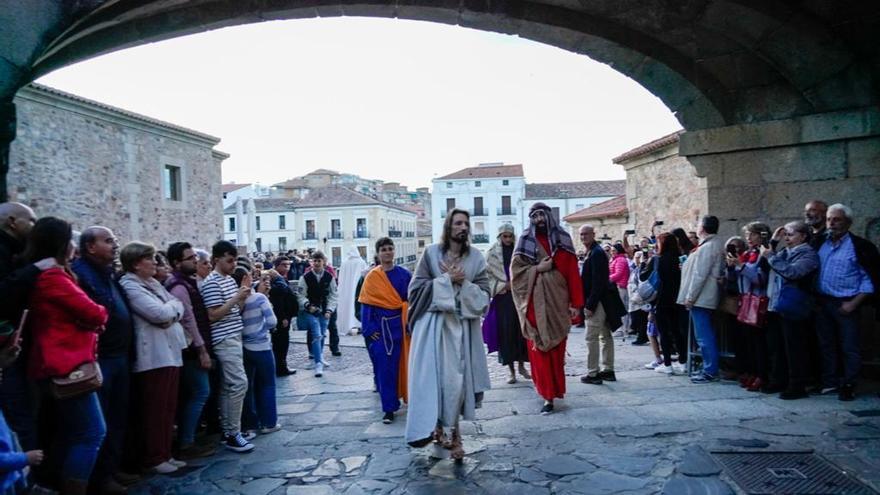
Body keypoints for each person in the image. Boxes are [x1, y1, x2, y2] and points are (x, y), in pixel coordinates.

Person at [24, 217, 108, 495]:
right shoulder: (53, 277)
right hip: (66, 364)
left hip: (62, 362)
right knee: (92, 432)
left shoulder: (53, 275)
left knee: (71, 432)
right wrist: (91, 320)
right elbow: (96, 312)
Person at [406, 208, 491, 462]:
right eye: (458, 223)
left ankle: (454, 435)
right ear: (448, 226)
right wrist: (445, 280)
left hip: (463, 329)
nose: (463, 227)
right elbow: (415, 289)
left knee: (457, 384)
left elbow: (485, 295)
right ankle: (438, 431)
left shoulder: (476, 258)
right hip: (433, 328)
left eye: (466, 223)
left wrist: (462, 283)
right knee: (435, 382)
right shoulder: (431, 254)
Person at [71, 226, 138, 493]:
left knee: (118, 416)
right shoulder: (83, 274)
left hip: (120, 355)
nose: (115, 244)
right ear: (90, 247)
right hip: (102, 358)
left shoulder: (107, 273)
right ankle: (100, 478)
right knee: (102, 419)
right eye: (108, 241)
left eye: (114, 239)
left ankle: (112, 469)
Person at [118, 242, 187, 474]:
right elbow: (159, 314)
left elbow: (177, 306)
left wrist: (171, 312)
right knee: (155, 410)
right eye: (150, 259)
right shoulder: (130, 286)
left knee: (168, 408)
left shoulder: (152, 283)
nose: (156, 263)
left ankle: (165, 452)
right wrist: (170, 311)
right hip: (154, 355)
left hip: (169, 352)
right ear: (137, 263)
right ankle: (155, 456)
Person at [510, 204, 583, 414]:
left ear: (549, 216)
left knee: (557, 350)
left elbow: (572, 274)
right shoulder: (524, 241)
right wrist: (537, 269)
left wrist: (575, 304)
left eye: (542, 214)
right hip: (534, 304)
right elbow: (516, 275)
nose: (539, 219)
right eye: (534, 216)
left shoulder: (563, 240)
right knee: (539, 349)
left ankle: (556, 389)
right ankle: (546, 395)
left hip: (558, 303)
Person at [814, 204, 878, 401]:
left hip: (846, 304)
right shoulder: (820, 244)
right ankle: (830, 381)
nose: (832, 224)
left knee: (849, 346)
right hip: (823, 302)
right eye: (829, 220)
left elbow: (869, 280)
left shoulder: (859, 246)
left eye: (837, 219)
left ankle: (849, 383)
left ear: (848, 222)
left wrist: (853, 304)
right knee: (826, 344)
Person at [200, 240, 255, 452]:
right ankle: (233, 432)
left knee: (228, 386)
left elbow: (234, 310)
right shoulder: (212, 282)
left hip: (233, 335)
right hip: (224, 339)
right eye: (229, 261)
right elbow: (212, 315)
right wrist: (236, 299)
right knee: (239, 384)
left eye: (234, 260)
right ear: (216, 260)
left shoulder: (229, 281)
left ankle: (228, 430)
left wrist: (242, 295)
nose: (233, 265)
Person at [164, 242, 216, 460]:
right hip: (191, 351)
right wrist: (202, 349)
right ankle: (186, 442)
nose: (195, 260)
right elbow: (189, 320)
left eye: (195, 256)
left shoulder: (187, 282)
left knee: (196, 393)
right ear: (177, 263)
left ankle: (189, 438)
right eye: (190, 258)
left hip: (192, 348)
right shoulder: (179, 286)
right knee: (200, 392)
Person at [762, 221, 819, 400]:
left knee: (795, 347)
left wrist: (771, 256)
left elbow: (792, 272)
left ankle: (797, 384)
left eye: (791, 234)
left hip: (795, 306)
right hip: (778, 304)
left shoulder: (808, 254)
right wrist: (772, 242)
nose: (787, 238)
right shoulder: (785, 252)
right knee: (777, 346)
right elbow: (767, 265)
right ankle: (779, 379)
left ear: (803, 236)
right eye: (785, 234)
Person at [358, 238, 412, 424]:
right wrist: (369, 328)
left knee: (406, 365)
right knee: (384, 370)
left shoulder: (404, 274)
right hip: (381, 330)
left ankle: (410, 399)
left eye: (390, 249)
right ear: (378, 253)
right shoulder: (372, 277)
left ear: (394, 251)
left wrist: (410, 321)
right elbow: (366, 305)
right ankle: (388, 409)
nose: (387, 252)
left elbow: (412, 300)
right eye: (384, 249)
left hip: (402, 327)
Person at [231, 267, 280, 435]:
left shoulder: (235, 301)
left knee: (248, 387)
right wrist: (261, 330)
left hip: (244, 347)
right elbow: (272, 321)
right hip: (261, 346)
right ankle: (269, 422)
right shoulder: (259, 298)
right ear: (246, 278)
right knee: (267, 384)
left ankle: (250, 424)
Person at [678, 216, 726, 383]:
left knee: (704, 336)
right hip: (703, 296)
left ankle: (710, 370)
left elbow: (700, 275)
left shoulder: (708, 247)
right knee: (704, 334)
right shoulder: (711, 245)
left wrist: (690, 297)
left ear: (703, 228)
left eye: (698, 224)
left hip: (702, 297)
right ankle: (709, 367)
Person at [483, 224, 530, 384]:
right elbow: (486, 276)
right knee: (506, 334)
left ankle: (522, 366)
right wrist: (501, 287)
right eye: (505, 236)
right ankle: (511, 371)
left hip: (520, 297)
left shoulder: (519, 252)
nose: (508, 239)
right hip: (503, 299)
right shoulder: (491, 254)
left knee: (521, 332)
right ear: (500, 236)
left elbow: (526, 270)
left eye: (510, 236)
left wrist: (517, 284)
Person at [579, 224, 624, 385]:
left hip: (597, 301)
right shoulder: (594, 251)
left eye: (586, 234)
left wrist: (590, 305)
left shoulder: (596, 253)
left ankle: (593, 373)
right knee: (605, 336)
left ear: (593, 234)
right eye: (581, 234)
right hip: (602, 300)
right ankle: (608, 370)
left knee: (591, 337)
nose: (583, 237)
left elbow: (598, 282)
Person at [641, 233, 685, 374]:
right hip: (677, 298)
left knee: (663, 332)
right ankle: (683, 361)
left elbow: (643, 276)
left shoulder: (657, 260)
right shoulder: (680, 259)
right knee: (677, 331)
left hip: (661, 299)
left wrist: (643, 262)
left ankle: (667, 364)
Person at [297, 251, 338, 377]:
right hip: (311, 311)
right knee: (316, 334)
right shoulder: (305, 277)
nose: (316, 263)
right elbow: (300, 295)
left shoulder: (329, 277)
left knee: (322, 334)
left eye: (319, 260)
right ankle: (318, 363)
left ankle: (319, 356)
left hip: (325, 311)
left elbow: (333, 295)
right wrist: (307, 305)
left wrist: (329, 310)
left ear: (323, 262)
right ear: (311, 262)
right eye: (314, 260)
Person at [268, 256, 298, 376]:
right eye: (284, 265)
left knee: (283, 343)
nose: (287, 267)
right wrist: (283, 317)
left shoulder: (281, 279)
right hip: (281, 317)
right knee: (281, 343)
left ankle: (281, 365)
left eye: (288, 265)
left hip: (286, 316)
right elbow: (278, 301)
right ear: (276, 266)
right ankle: (281, 367)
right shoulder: (276, 280)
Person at [338, 248, 368, 336]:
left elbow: (340, 278)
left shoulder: (344, 263)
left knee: (347, 307)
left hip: (346, 289)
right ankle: (358, 325)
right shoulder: (361, 262)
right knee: (356, 306)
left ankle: (348, 326)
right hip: (357, 288)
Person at [608, 243, 630, 337]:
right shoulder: (616, 259)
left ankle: (623, 330)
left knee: (621, 309)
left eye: (613, 251)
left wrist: (607, 279)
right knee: (621, 309)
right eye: (611, 251)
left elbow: (618, 274)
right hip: (618, 286)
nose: (611, 252)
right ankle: (622, 329)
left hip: (620, 287)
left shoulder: (620, 260)